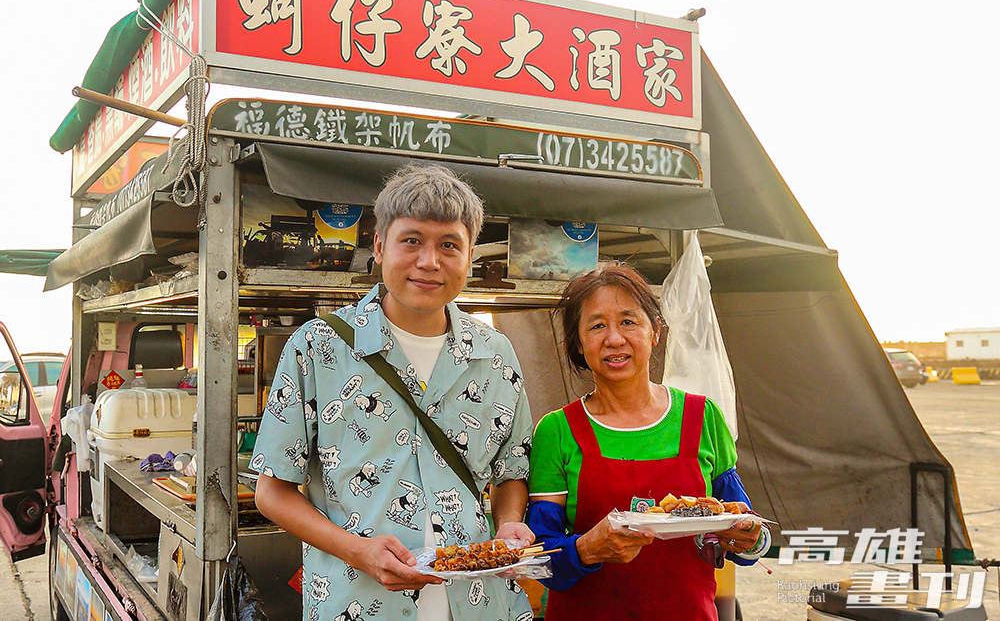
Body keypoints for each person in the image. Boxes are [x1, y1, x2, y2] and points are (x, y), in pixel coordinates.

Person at [251, 164, 534, 621]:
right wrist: (357, 551)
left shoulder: (495, 353)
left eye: (449, 245)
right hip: (359, 603)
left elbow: (511, 472)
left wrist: (508, 525)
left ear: (469, 256)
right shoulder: (318, 347)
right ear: (380, 247)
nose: (429, 261)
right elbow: (272, 491)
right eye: (412, 241)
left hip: (480, 603)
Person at [526, 263, 769, 620]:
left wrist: (751, 539)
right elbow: (539, 559)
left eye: (628, 321)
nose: (614, 339)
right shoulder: (557, 430)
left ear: (655, 331)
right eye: (596, 326)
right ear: (578, 343)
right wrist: (586, 550)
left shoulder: (702, 417)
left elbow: (741, 525)